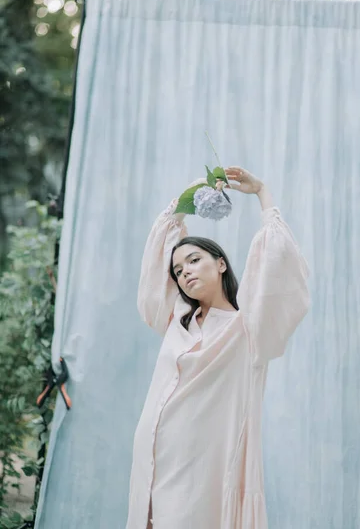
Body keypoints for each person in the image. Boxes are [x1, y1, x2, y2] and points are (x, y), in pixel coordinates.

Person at [125, 166, 310, 529]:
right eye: (178, 271)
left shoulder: (249, 330)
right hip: (153, 461)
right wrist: (192, 193)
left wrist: (262, 193)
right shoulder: (175, 318)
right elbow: (155, 257)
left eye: (194, 260)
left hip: (202, 472)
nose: (185, 272)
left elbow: (278, 261)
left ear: (221, 263)